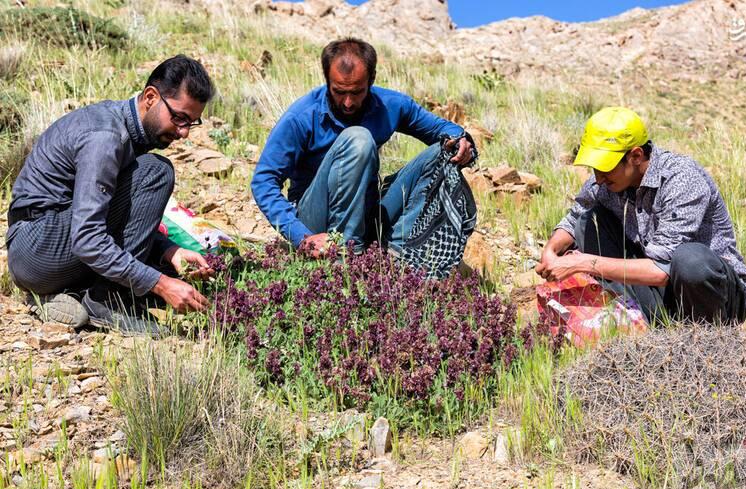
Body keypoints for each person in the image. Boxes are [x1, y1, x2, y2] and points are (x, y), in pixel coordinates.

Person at [5, 55, 215, 335]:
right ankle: (109, 303)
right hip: (36, 248)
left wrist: (168, 250)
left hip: (49, 246)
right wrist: (161, 284)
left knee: (179, 277)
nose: (184, 132)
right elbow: (88, 238)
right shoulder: (105, 138)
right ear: (151, 97)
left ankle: (71, 297)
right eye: (179, 117)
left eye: (192, 122)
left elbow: (113, 217)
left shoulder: (128, 130)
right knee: (155, 172)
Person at [251, 37, 474, 257]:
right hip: (316, 220)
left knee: (445, 151)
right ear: (327, 80)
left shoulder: (391, 105)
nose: (348, 102)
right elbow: (263, 182)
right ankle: (344, 256)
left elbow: (443, 129)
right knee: (359, 139)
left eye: (357, 92)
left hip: (367, 212)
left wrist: (462, 140)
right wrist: (301, 236)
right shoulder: (301, 117)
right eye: (339, 91)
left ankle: (394, 252)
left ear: (372, 79)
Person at [536, 106, 746, 324]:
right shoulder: (606, 181)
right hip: (658, 290)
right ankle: (645, 322)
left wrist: (582, 263)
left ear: (636, 156)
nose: (599, 178)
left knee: (690, 261)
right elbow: (575, 217)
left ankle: (707, 341)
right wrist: (551, 250)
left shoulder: (681, 180)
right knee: (588, 223)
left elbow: (661, 269)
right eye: (595, 168)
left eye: (605, 168)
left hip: (714, 296)